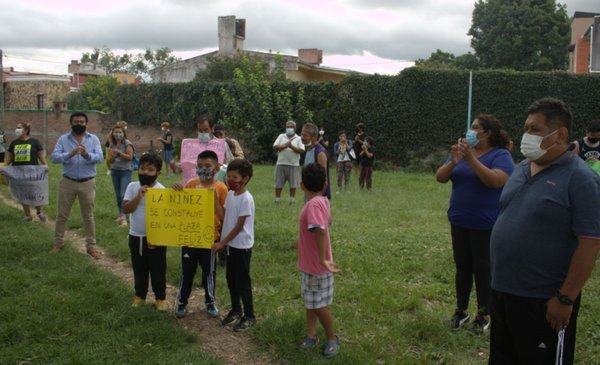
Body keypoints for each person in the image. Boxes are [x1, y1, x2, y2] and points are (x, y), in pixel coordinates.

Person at [488, 98, 600, 365]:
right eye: (526, 128)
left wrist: (565, 298)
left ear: (560, 134)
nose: (527, 135)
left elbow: (590, 243)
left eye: (535, 129)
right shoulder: (522, 168)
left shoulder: (581, 179)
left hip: (543, 301)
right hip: (503, 292)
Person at [435, 114, 514, 334]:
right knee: (462, 267)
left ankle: (484, 314)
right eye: (470, 126)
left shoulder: (501, 155)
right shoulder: (461, 154)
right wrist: (453, 161)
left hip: (485, 224)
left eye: (475, 127)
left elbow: (495, 181)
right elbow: (440, 177)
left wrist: (471, 160)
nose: (470, 131)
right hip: (459, 220)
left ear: (487, 132)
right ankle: (461, 311)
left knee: (483, 268)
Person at [173, 150, 227, 319]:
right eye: (200, 166)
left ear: (217, 168)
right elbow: (181, 208)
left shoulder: (221, 188)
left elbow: (224, 216)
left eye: (208, 166)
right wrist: (179, 193)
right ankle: (182, 301)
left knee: (209, 271)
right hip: (190, 237)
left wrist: (215, 201)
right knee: (187, 271)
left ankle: (210, 301)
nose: (204, 169)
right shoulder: (190, 184)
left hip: (209, 238)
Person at [297, 163, 341, 357]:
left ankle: (332, 337)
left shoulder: (313, 204)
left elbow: (321, 231)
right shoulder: (322, 201)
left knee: (318, 305)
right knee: (311, 301)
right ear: (325, 184)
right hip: (310, 264)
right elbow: (326, 221)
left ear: (301, 186)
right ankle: (311, 334)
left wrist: (323, 259)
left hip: (316, 266)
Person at [50, 112, 104, 259]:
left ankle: (91, 247)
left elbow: (100, 157)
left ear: (86, 123)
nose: (79, 124)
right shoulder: (63, 139)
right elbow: (54, 157)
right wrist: (69, 154)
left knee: (88, 216)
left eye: (81, 122)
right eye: (76, 122)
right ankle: (58, 243)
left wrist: (87, 155)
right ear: (71, 123)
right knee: (62, 215)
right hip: (68, 182)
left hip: (87, 182)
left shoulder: (93, 139)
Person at [212, 159, 256, 332]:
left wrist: (222, 242)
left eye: (234, 177)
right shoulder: (230, 195)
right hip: (230, 246)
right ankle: (236, 310)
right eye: (229, 176)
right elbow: (224, 216)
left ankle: (250, 315)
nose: (230, 179)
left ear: (245, 179)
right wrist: (215, 201)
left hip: (241, 246)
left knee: (242, 281)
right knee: (231, 280)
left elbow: (239, 226)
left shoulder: (246, 199)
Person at [122, 153, 168, 311]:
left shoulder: (162, 191)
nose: (145, 173)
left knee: (158, 269)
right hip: (136, 236)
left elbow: (166, 219)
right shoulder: (132, 186)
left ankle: (160, 298)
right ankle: (139, 295)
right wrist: (138, 196)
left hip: (155, 239)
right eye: (142, 169)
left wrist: (159, 238)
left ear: (157, 173)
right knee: (139, 268)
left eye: (150, 170)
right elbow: (126, 209)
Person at [5, 122, 48, 221]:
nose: (16, 129)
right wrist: (4, 167)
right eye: (16, 127)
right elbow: (10, 158)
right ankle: (28, 215)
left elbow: (40, 155)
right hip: (18, 172)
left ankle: (39, 212)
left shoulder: (34, 142)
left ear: (26, 130)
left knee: (34, 192)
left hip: (33, 172)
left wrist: (45, 165)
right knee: (22, 193)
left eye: (19, 127)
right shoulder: (14, 143)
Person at [180, 115, 234, 183]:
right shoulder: (190, 146)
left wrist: (224, 166)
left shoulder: (222, 146)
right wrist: (175, 167)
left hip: (216, 187)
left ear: (212, 129)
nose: (203, 133)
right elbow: (184, 168)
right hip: (195, 187)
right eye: (200, 130)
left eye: (206, 130)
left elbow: (232, 166)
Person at [107, 124, 134, 226]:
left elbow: (130, 157)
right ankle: (121, 214)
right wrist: (112, 157)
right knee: (118, 194)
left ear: (123, 133)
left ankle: (124, 217)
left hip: (125, 171)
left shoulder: (127, 144)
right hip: (115, 171)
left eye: (120, 132)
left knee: (123, 194)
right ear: (113, 133)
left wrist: (119, 154)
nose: (118, 134)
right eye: (116, 132)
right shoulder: (112, 144)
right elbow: (110, 160)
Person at [273, 120, 305, 204]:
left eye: (291, 127)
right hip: (281, 163)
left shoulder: (298, 138)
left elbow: (301, 150)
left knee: (293, 184)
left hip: (294, 164)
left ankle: (292, 199)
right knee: (278, 183)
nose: (289, 128)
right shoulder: (281, 136)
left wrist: (291, 146)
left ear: (294, 128)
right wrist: (285, 146)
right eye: (288, 127)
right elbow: (275, 146)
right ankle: (277, 199)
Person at [301, 123, 331, 200]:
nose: (302, 137)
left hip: (317, 197)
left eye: (305, 135)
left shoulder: (320, 153)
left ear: (314, 137)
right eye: (302, 134)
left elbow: (323, 179)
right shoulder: (308, 149)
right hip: (309, 194)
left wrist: (317, 198)